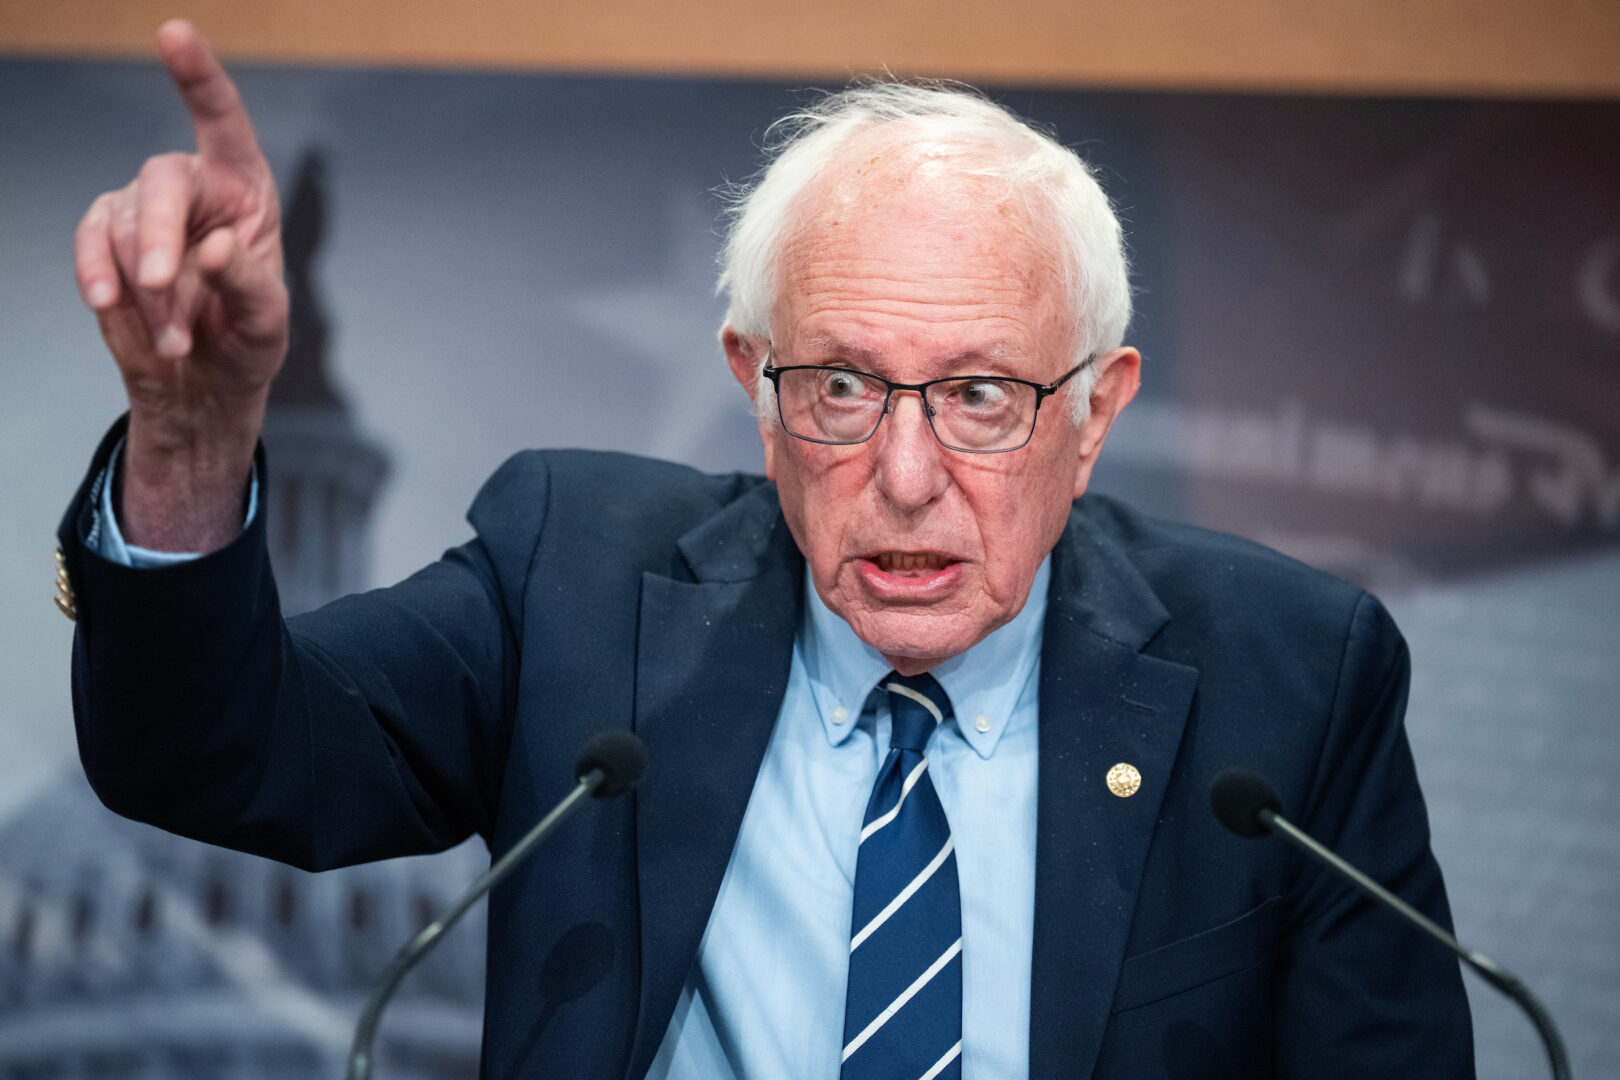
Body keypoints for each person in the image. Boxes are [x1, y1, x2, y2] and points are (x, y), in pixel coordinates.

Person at [57, 19, 1474, 1080]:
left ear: (1096, 413)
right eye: (842, 388)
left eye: (982, 396)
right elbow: (209, 747)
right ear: (755, 381)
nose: (906, 479)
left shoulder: (1289, 680)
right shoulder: (579, 583)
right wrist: (191, 433)